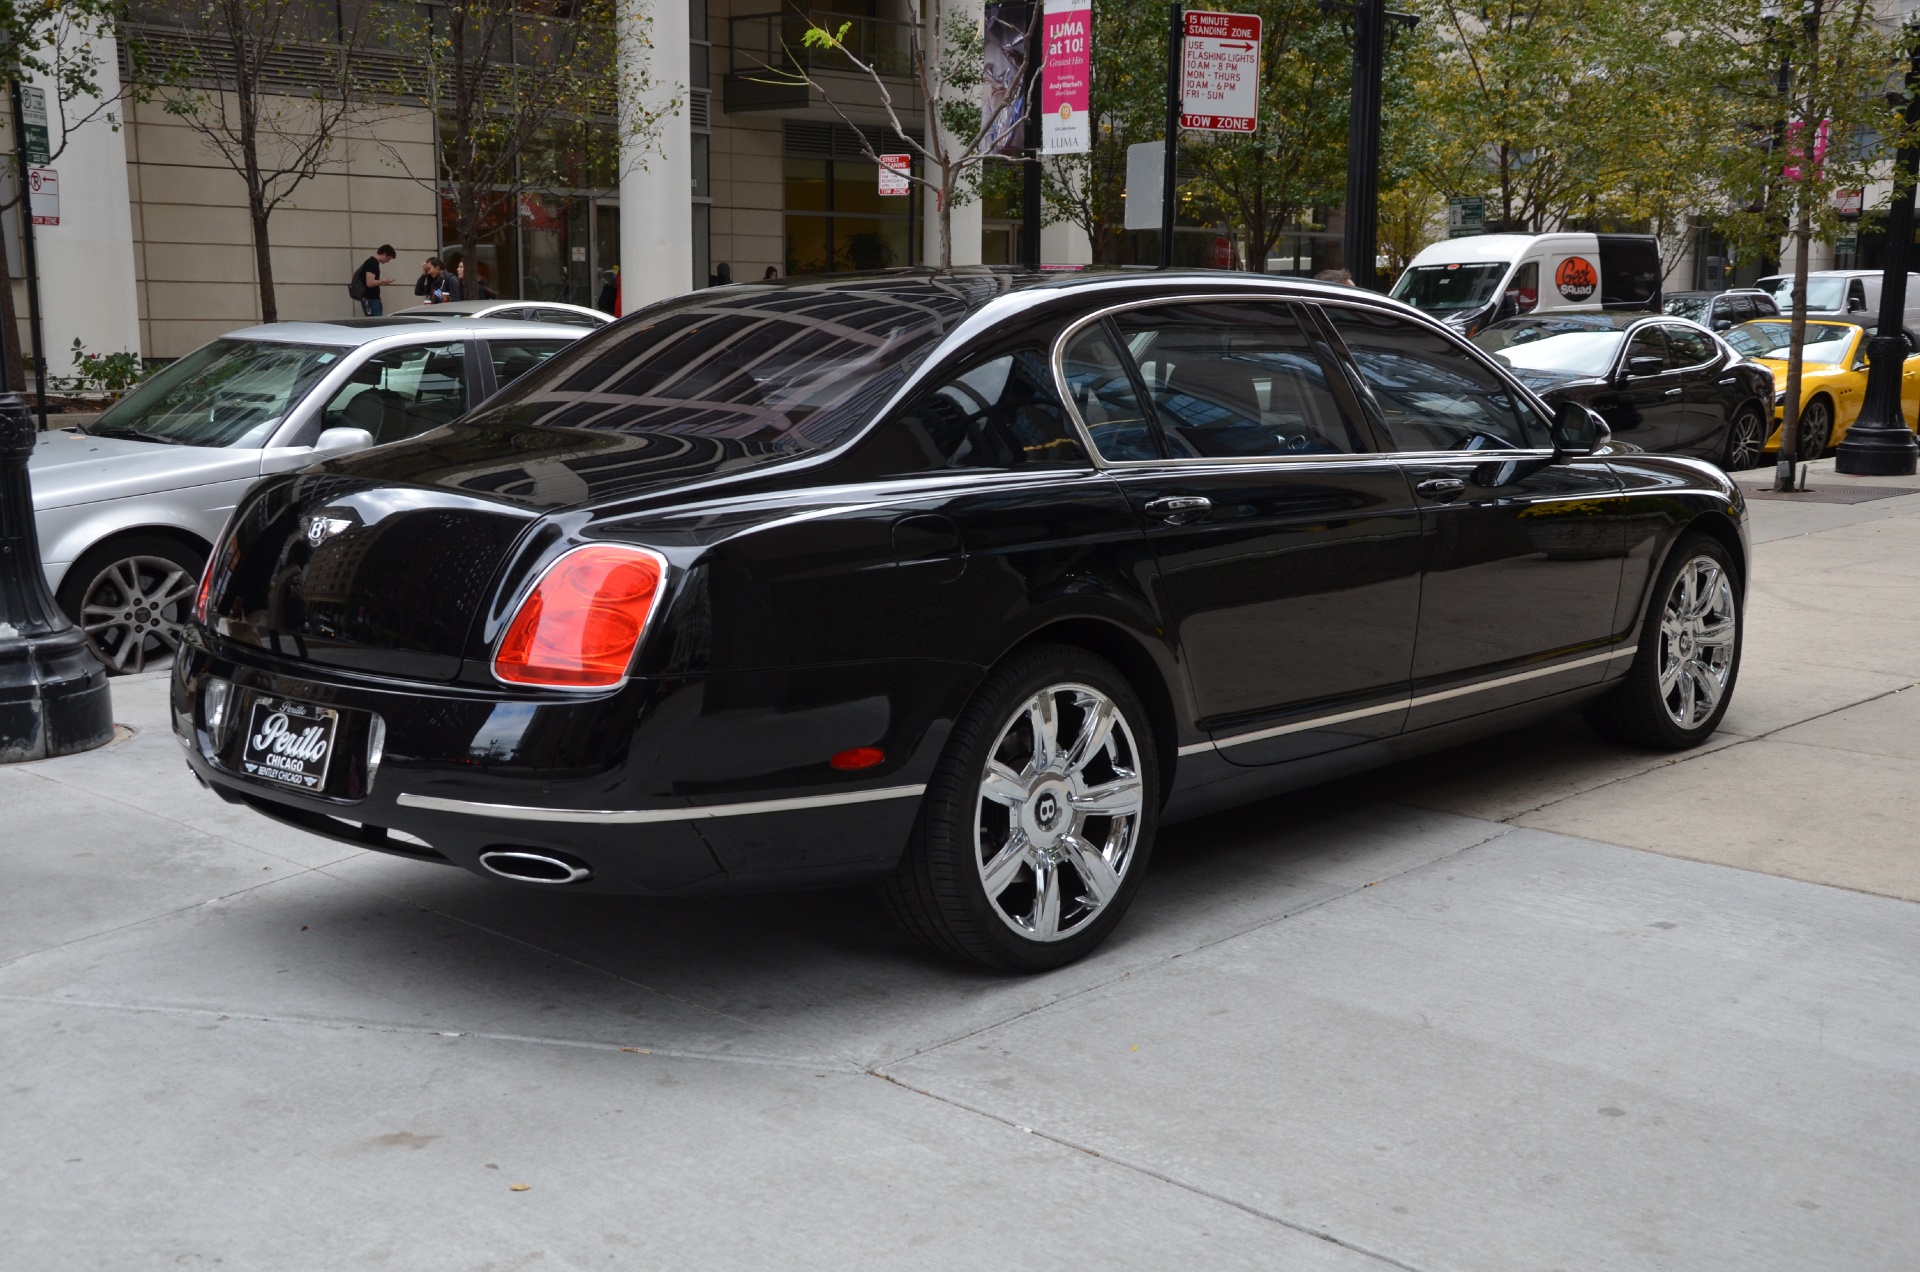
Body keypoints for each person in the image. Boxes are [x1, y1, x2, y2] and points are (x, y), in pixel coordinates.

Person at [357, 245, 397, 315]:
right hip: (370, 299)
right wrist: (383, 281)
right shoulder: (372, 263)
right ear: (384, 254)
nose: (388, 261)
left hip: (371, 299)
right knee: (376, 323)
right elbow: (369, 283)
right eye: (388, 258)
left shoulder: (372, 262)